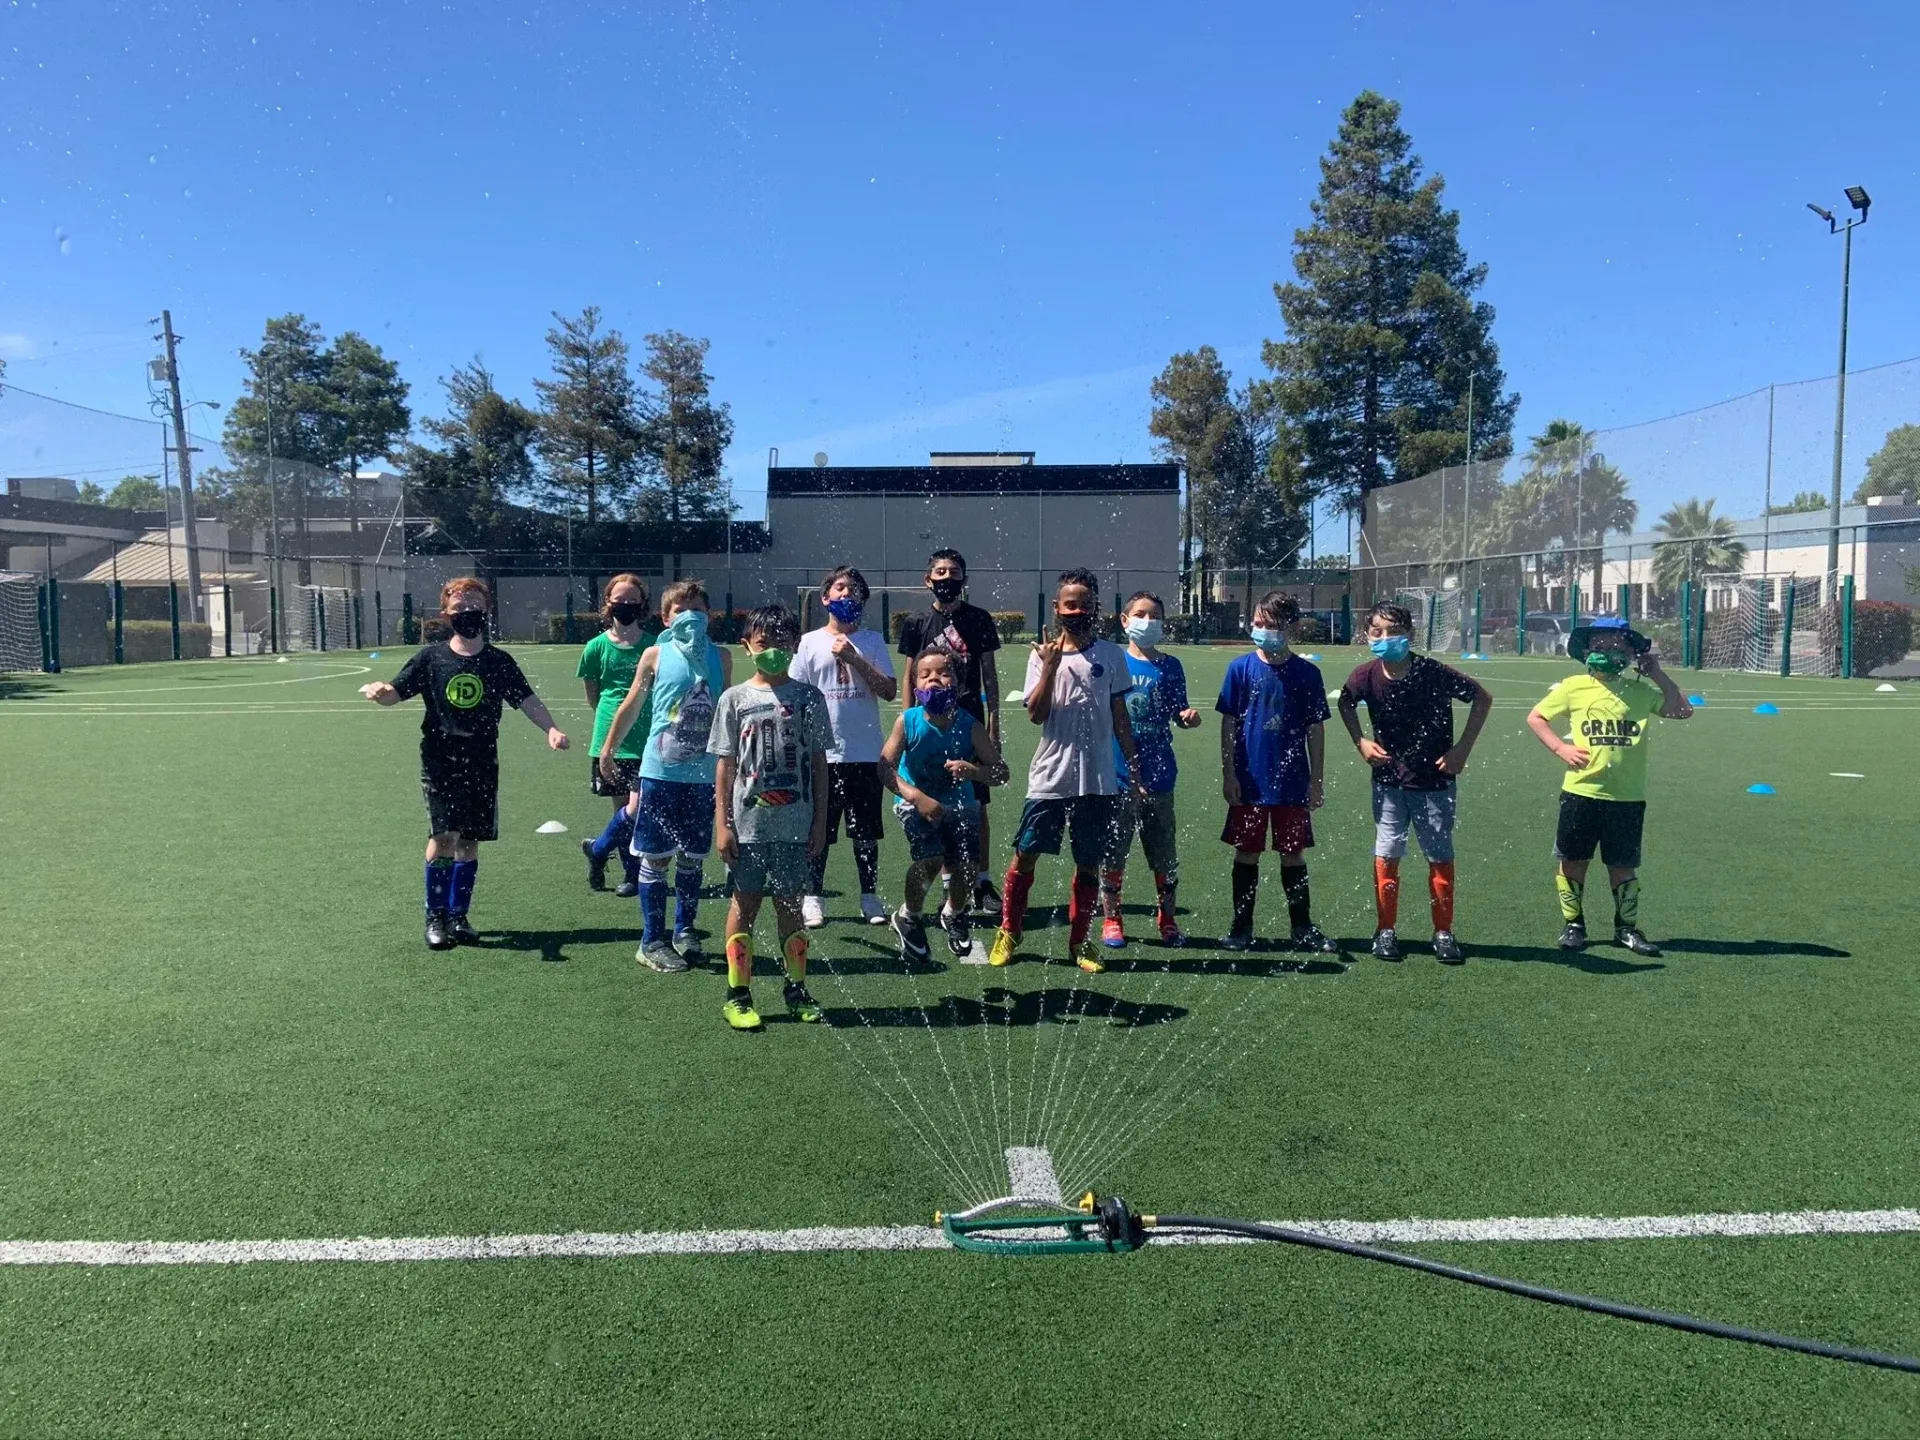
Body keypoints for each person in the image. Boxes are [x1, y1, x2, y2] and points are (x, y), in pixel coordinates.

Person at [360, 577, 569, 950]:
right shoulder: (431, 658)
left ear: (487, 610)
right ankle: (435, 917)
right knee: (443, 836)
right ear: (446, 614)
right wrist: (381, 692)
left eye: (474, 606)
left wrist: (550, 729)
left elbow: (527, 700)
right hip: (440, 760)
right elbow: (397, 693)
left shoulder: (498, 662)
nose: (467, 613)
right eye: (459, 608)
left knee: (469, 841)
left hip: (482, 761)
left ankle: (459, 915)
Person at [989, 568, 1140, 974]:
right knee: (1026, 856)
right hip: (1050, 777)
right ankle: (1009, 930)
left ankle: (1080, 942)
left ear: (1096, 609)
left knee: (1088, 861)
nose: (1078, 611)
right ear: (1057, 609)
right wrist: (1051, 667)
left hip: (1099, 779)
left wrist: (1135, 768)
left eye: (1085, 605)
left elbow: (1120, 717)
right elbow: (1036, 715)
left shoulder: (1112, 656)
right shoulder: (1042, 655)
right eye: (1070, 605)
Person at [1337, 601, 1494, 964]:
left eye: (1394, 631)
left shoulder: (1433, 672)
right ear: (1367, 635)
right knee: (1388, 853)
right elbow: (1346, 703)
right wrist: (1360, 741)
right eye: (1377, 632)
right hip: (1388, 783)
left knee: (1439, 854)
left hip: (1435, 784)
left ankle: (1442, 932)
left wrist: (1462, 751)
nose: (1385, 638)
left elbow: (1482, 698)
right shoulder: (1364, 676)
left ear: (1410, 635)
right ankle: (1385, 930)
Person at [1526, 616, 1692, 956]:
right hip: (1581, 792)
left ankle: (1626, 928)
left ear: (1631, 655)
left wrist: (1657, 673)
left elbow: (1682, 710)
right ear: (1586, 651)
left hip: (1626, 797)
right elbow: (1536, 717)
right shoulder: (1573, 687)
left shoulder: (1640, 691)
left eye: (1618, 647)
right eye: (1600, 647)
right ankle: (1573, 924)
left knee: (1622, 865)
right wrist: (1561, 748)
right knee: (1573, 860)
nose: (1608, 653)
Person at [708, 603, 834, 1031]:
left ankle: (795, 988)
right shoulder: (734, 699)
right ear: (747, 646)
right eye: (764, 642)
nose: (774, 649)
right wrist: (722, 823)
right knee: (744, 904)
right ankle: (737, 993)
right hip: (748, 827)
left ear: (795, 645)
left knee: (791, 906)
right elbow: (725, 767)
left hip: (797, 825)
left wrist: (819, 821)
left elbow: (819, 764)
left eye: (782, 642)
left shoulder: (809, 698)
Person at [599, 578, 732, 972]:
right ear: (665, 617)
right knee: (656, 859)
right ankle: (651, 940)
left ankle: (684, 932)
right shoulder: (655, 654)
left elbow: (726, 710)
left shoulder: (721, 657)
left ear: (709, 616)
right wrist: (608, 748)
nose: (690, 617)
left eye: (698, 610)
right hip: (660, 773)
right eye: (680, 610)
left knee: (692, 858)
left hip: (704, 776)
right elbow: (632, 704)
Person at [1216, 591, 1338, 955]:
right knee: (1246, 854)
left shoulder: (1307, 673)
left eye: (1271, 625)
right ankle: (1241, 927)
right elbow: (1229, 724)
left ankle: (1301, 927)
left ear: (1291, 627)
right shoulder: (1239, 669)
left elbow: (1316, 730)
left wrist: (1316, 781)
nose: (1262, 630)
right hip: (1249, 783)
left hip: (1291, 784)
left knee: (1293, 854)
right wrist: (1229, 774)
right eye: (1257, 623)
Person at [879, 648, 1010, 963]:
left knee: (967, 865)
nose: (934, 679)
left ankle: (953, 912)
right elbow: (884, 768)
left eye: (943, 672)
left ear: (960, 683)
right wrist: (914, 796)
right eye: (924, 675)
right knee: (932, 858)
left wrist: (974, 771)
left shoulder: (969, 725)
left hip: (960, 803)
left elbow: (1001, 772)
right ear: (914, 686)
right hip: (916, 803)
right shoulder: (907, 721)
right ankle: (908, 915)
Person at [896, 548, 1003, 915]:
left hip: (967, 719)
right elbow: (911, 674)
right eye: (939, 572)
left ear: (964, 579)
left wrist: (994, 722)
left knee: (976, 802)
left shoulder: (979, 619)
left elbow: (989, 674)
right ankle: (948, 883)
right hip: (928, 723)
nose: (946, 578)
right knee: (935, 799)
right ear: (928, 579)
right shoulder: (915, 622)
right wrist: (910, 720)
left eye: (953, 572)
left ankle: (982, 880)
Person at [791, 565, 897, 928]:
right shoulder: (808, 642)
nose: (847, 595)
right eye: (840, 588)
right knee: (819, 828)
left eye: (854, 590)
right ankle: (813, 897)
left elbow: (888, 691)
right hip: (822, 753)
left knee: (866, 831)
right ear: (825, 598)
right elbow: (794, 695)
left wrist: (854, 658)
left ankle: (869, 897)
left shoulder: (872, 641)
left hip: (865, 752)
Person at [1099, 590, 1201, 949]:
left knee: (1163, 852)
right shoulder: (1113, 662)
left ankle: (1167, 919)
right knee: (1114, 850)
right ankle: (1112, 918)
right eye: (1140, 614)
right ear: (1125, 621)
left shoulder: (1170, 666)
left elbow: (1178, 711)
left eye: (1155, 616)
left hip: (1159, 773)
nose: (1148, 621)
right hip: (1117, 774)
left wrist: (1188, 718)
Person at [577, 575, 654, 898]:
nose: (625, 607)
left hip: (650, 738)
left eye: (631, 601)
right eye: (618, 601)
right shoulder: (595, 647)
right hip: (611, 740)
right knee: (623, 809)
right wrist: (613, 731)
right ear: (607, 604)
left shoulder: (654, 645)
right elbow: (594, 696)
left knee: (640, 809)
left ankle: (598, 849)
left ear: (642, 605)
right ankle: (631, 874)